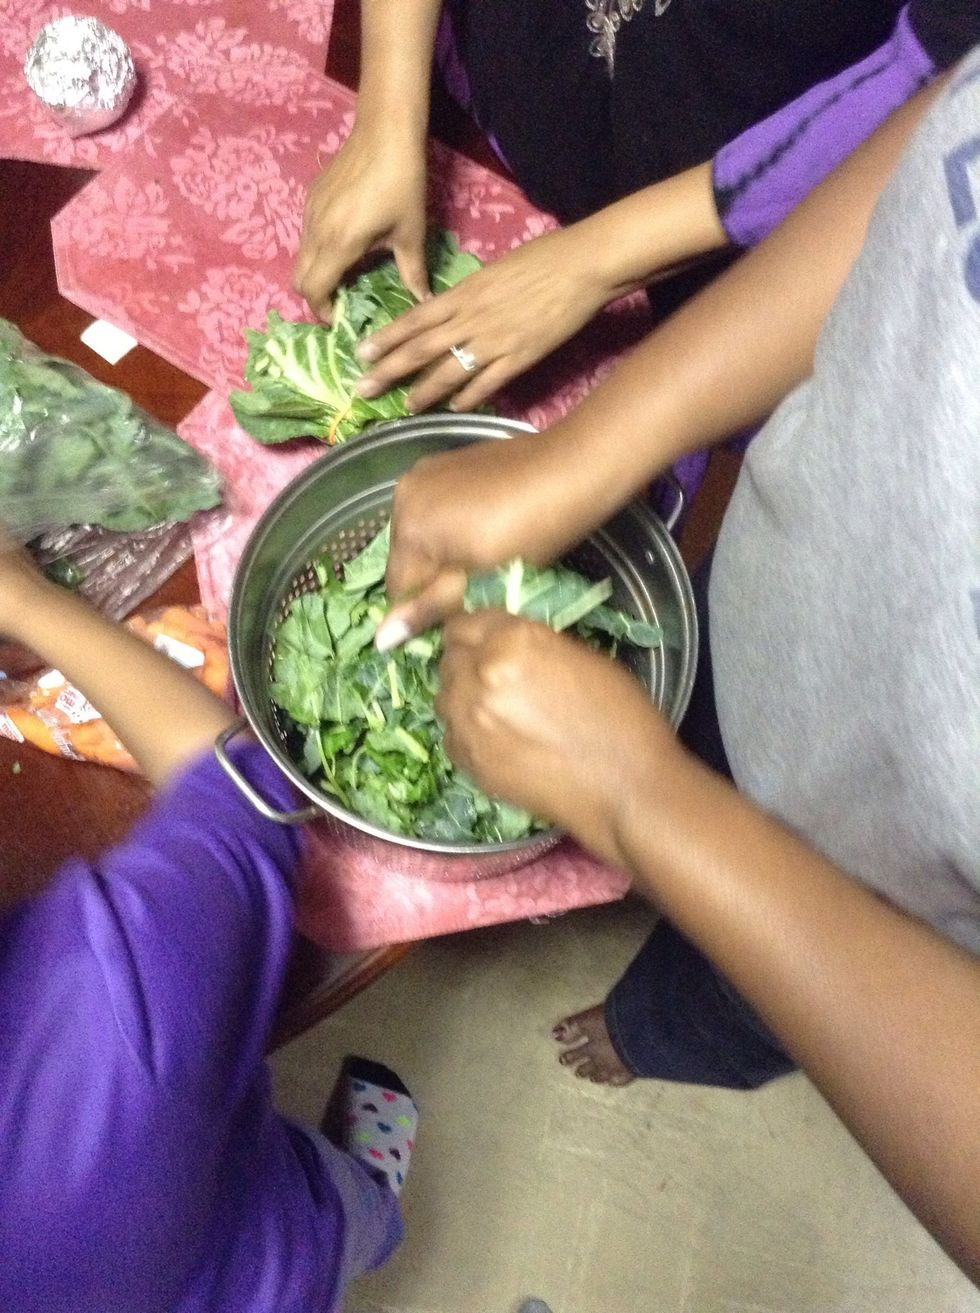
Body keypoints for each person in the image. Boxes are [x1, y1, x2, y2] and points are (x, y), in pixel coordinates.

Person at [375, 58, 980, 1284]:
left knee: (727, 990)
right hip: (762, 601)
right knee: (680, 773)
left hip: (879, 908)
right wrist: (581, 453)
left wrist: (639, 800)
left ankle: (646, 1034)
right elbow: (937, 156)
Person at [0, 544, 418, 1312]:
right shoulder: (105, 1016)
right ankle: (377, 1193)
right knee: (343, 1212)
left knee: (192, 1145)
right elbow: (243, 793)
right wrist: (22, 593)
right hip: (265, 1261)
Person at [294, 0, 980, 433]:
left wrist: (595, 265)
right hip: (486, 85)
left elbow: (929, 77)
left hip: (723, 232)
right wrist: (388, 113)